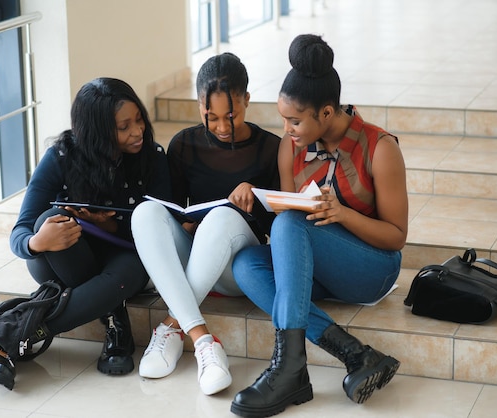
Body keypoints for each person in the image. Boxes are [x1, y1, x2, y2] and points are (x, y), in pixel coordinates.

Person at [230, 34, 408, 417]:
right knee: (246, 265)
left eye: (294, 120)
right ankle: (354, 353)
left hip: (370, 268)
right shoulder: (289, 147)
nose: (287, 128)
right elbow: (288, 224)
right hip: (316, 267)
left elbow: (396, 237)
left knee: (292, 225)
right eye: (283, 119)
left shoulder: (379, 147)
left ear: (326, 113)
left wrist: (343, 214)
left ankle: (288, 368)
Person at [0, 78, 171, 390]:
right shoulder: (61, 157)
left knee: (124, 272)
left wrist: (111, 226)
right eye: (123, 127)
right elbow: (20, 232)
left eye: (138, 120)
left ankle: (9, 339)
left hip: (126, 259)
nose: (137, 131)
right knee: (51, 219)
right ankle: (114, 316)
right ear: (96, 133)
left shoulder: (154, 158)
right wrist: (36, 241)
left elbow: (165, 226)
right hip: (65, 257)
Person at [131, 52, 280, 395]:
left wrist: (257, 194)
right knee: (146, 213)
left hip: (237, 269)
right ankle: (203, 343)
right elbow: (175, 211)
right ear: (198, 103)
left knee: (223, 215)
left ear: (246, 99)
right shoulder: (183, 144)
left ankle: (171, 325)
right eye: (210, 116)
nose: (222, 127)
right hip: (197, 257)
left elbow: (280, 226)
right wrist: (185, 227)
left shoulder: (270, 148)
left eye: (231, 115)